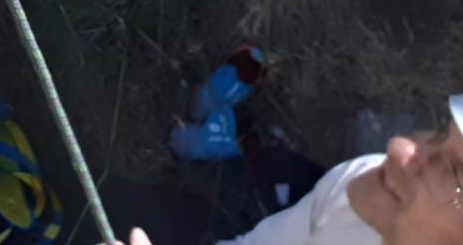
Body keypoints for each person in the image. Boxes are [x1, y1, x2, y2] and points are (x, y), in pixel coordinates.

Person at [110, 96, 463, 245]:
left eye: (455, 171)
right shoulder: (369, 182)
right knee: (110, 204)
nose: (397, 148)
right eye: (440, 132)